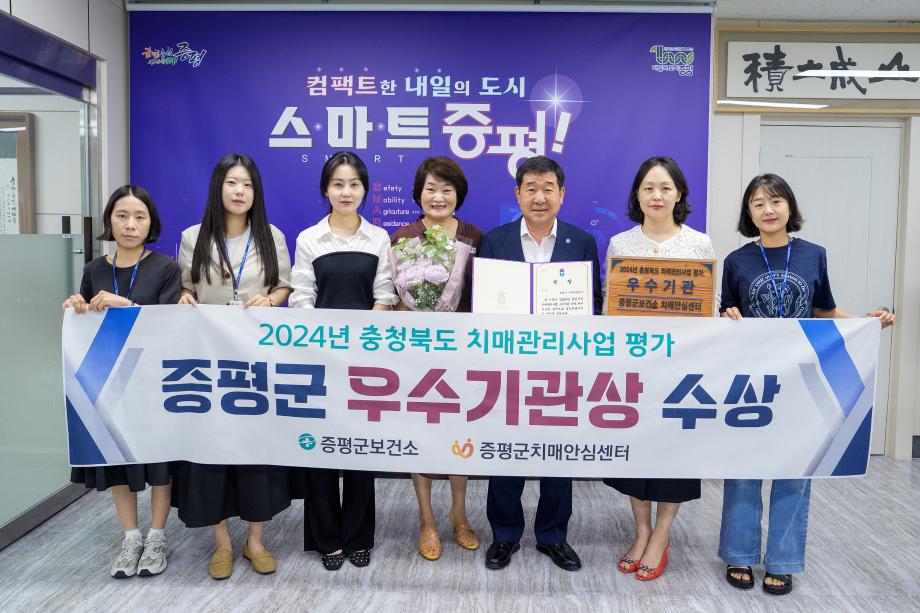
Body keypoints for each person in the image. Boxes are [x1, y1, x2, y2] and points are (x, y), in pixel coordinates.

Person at [719, 173, 895, 595]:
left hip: (803, 378)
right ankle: (739, 553)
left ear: (790, 207)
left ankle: (782, 560)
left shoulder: (814, 254)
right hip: (752, 379)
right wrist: (727, 316)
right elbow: (726, 315)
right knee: (744, 467)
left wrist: (868, 323)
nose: (768, 210)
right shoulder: (736, 260)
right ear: (748, 213)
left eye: (776, 201)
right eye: (758, 203)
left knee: (796, 468)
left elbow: (824, 311)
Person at [478, 155, 602, 572]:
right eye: (531, 188)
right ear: (517, 194)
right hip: (508, 367)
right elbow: (482, 307)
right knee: (506, 452)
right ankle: (504, 534)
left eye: (548, 188)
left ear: (562, 194)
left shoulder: (581, 243)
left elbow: (594, 304)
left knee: (557, 455)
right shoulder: (494, 242)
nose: (539, 197)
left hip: (561, 367)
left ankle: (553, 536)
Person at [173, 152, 293, 580]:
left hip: (256, 359)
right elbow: (185, 288)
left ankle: (255, 541)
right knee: (212, 451)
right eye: (232, 183)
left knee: (257, 450)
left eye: (247, 184)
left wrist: (271, 300)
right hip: (210, 362)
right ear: (218, 188)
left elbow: (284, 286)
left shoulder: (272, 236)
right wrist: (185, 298)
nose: (240, 191)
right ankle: (222, 542)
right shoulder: (193, 237)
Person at [602, 156, 715, 581]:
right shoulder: (621, 244)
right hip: (634, 367)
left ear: (679, 194)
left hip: (682, 369)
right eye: (648, 187)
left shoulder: (699, 244)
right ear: (637, 194)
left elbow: (709, 310)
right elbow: (609, 306)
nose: (657, 195)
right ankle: (641, 531)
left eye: (666, 188)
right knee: (637, 453)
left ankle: (662, 535)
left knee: (674, 455)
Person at [64, 185, 180, 578]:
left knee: (159, 459)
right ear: (109, 221)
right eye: (122, 216)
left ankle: (158, 535)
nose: (130, 225)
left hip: (153, 380)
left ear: (150, 223)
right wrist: (76, 307)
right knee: (116, 458)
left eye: (139, 217)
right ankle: (131, 536)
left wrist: (126, 305)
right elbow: (84, 319)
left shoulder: (165, 268)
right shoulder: (94, 269)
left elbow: (170, 325)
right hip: (108, 381)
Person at [289, 151, 398, 570]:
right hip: (319, 356)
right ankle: (326, 539)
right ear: (326, 190)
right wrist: (324, 344)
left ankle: (358, 536)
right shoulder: (309, 238)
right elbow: (302, 297)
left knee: (358, 449)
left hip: (366, 358)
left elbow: (384, 294)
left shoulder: (378, 237)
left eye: (354, 184)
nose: (346, 192)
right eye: (338, 184)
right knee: (320, 449)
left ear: (364, 189)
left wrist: (361, 341)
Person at [390, 156, 483, 560]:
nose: (439, 196)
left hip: (462, 352)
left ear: (458, 194)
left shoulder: (474, 236)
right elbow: (394, 298)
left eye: (447, 189)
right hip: (416, 353)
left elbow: (483, 297)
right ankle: (427, 520)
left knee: (459, 435)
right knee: (421, 435)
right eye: (431, 189)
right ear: (419, 193)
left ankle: (459, 515)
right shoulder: (403, 237)